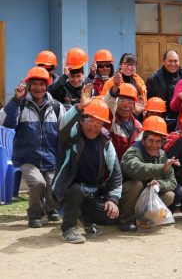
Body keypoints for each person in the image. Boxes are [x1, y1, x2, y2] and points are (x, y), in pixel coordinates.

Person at [52, 88, 121, 243]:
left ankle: (85, 219)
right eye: (90, 121)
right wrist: (78, 107)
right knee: (76, 190)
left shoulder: (106, 142)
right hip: (66, 189)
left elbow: (115, 173)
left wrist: (113, 200)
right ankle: (68, 228)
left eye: (98, 123)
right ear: (82, 119)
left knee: (110, 216)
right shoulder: (72, 134)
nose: (93, 127)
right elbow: (63, 126)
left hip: (91, 191)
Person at [0, 67, 64, 227]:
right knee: (37, 183)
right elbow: (6, 122)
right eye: (34, 84)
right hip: (27, 157)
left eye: (42, 84)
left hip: (50, 157)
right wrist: (15, 100)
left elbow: (65, 128)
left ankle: (50, 210)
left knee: (53, 183)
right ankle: (34, 215)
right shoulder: (20, 104)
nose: (38, 88)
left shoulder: (56, 107)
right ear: (28, 85)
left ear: (47, 85)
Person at [118, 115, 178, 232]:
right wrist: (162, 167)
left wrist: (159, 184)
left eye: (158, 142)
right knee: (135, 185)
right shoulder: (133, 151)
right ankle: (125, 220)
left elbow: (172, 181)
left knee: (170, 195)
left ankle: (145, 219)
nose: (154, 145)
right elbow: (135, 169)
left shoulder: (161, 154)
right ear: (143, 140)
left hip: (147, 196)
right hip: (127, 196)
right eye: (151, 140)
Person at [145, 49, 182, 132]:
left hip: (180, 121)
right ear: (163, 61)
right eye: (170, 61)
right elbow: (147, 102)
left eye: (176, 61)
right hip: (159, 121)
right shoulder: (153, 79)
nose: (173, 64)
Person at [102, 83, 142, 161]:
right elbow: (109, 106)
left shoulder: (138, 125)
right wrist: (113, 92)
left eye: (130, 102)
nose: (126, 106)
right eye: (122, 101)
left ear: (134, 105)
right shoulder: (110, 122)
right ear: (116, 102)